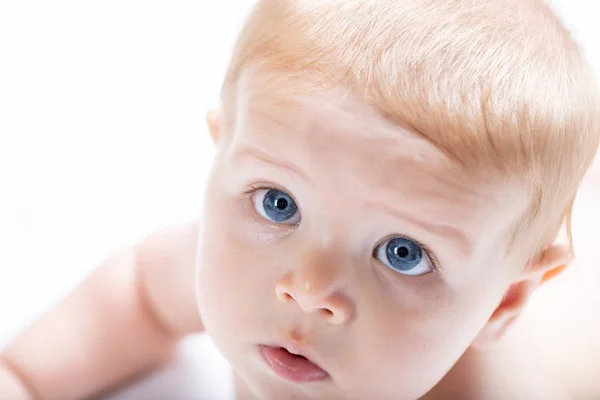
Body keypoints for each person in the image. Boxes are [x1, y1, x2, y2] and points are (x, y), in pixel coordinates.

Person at [2, 0, 600, 399]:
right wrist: (23, 380)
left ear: (503, 301)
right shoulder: (220, 269)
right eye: (278, 204)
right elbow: (135, 295)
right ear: (222, 155)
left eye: (402, 253)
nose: (309, 289)